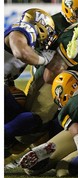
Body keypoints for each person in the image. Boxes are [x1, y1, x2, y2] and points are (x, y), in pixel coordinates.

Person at [4, 0, 78, 165]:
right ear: (68, 8)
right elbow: (33, 58)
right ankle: (13, 154)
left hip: (61, 80)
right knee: (32, 121)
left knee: (37, 121)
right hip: (49, 79)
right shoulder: (39, 26)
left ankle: (20, 153)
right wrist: (44, 60)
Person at [5, 8, 56, 158]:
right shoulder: (25, 28)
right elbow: (21, 53)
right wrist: (43, 59)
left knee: (27, 120)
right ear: (41, 25)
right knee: (31, 120)